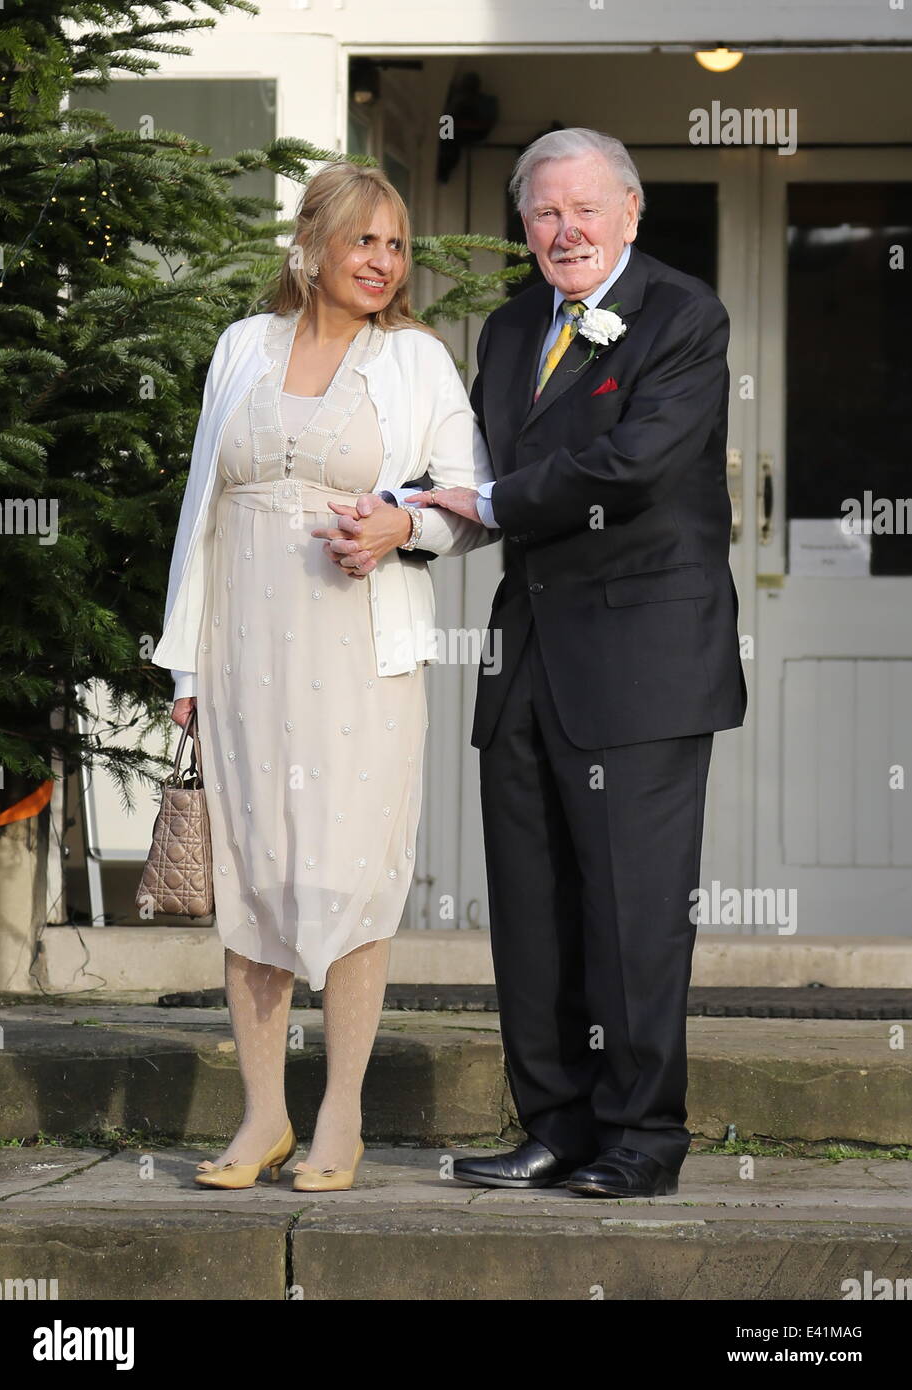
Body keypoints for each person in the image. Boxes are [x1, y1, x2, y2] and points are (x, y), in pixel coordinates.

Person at [399, 127, 748, 1197]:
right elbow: (455, 470)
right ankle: (552, 1122)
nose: (564, 230)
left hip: (641, 662)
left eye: (584, 209)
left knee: (633, 915)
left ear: (630, 214)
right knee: (531, 905)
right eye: (544, 212)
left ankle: (641, 1138)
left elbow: (631, 465)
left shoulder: (683, 316)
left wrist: (488, 503)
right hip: (524, 661)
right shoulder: (505, 332)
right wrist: (392, 511)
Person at [150, 162, 496, 1192]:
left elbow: (469, 495)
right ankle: (263, 1118)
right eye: (364, 241)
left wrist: (405, 523)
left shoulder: (416, 363)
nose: (384, 262)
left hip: (361, 658)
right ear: (311, 248)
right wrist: (184, 661)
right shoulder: (240, 349)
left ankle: (339, 1116)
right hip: (244, 655)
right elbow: (199, 515)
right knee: (251, 883)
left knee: (350, 877)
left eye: (396, 245)